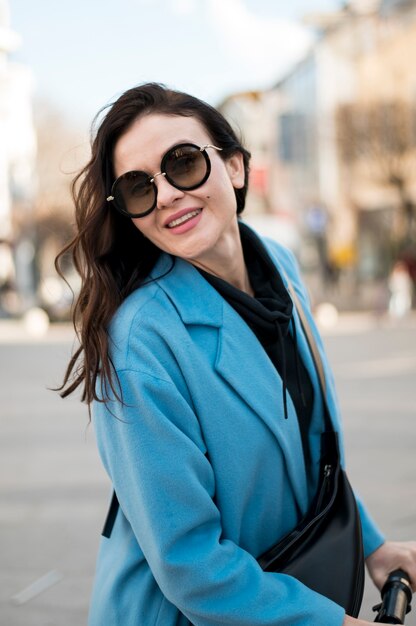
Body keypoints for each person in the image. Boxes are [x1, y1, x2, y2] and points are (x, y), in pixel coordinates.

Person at [56, 83, 416, 626]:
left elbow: (311, 448)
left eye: (182, 163)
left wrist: (372, 544)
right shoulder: (141, 342)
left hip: (283, 587)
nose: (169, 195)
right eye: (138, 188)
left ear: (236, 166)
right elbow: (191, 564)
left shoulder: (279, 264)